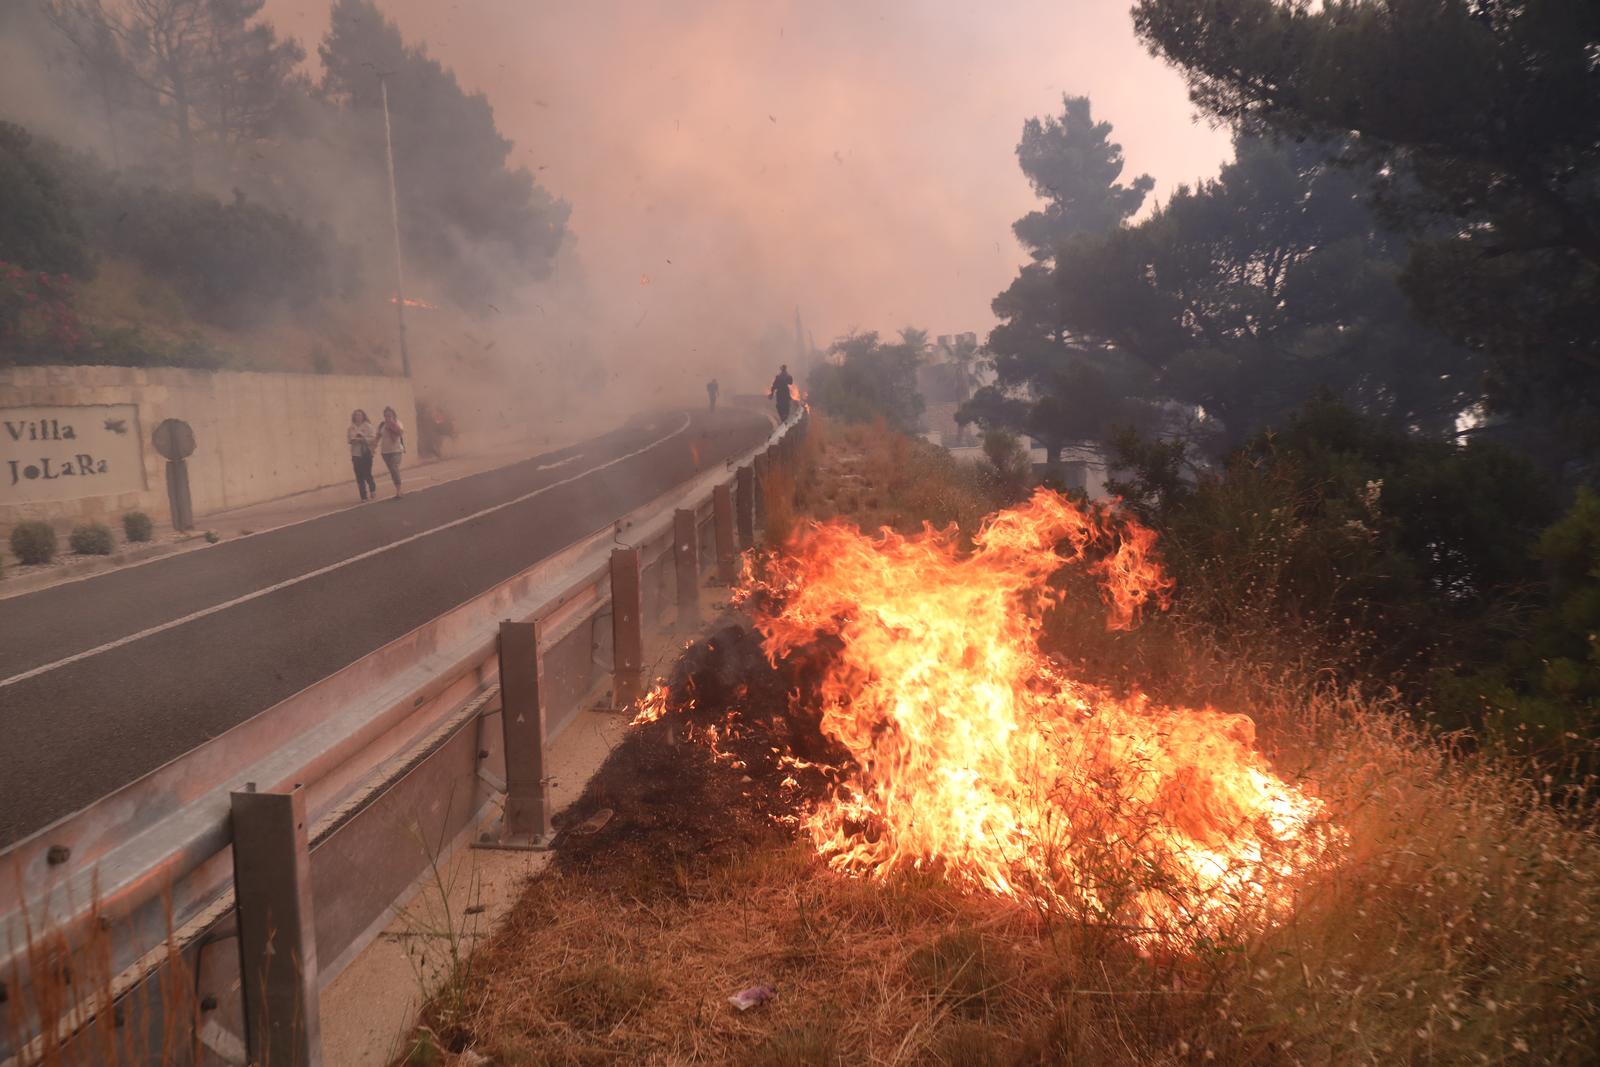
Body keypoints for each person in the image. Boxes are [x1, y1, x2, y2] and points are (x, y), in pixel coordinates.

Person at [347, 409, 378, 501]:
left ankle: (372, 489)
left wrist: (363, 439)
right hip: (356, 454)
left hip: (366, 453)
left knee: (367, 473)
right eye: (356, 415)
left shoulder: (368, 426)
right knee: (359, 475)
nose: (358, 417)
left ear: (363, 416)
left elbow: (373, 438)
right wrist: (355, 440)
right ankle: (363, 496)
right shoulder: (351, 428)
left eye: (360, 415)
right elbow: (350, 439)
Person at [377, 405, 406, 497]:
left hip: (396, 451)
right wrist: (372, 447)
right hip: (385, 452)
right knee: (392, 471)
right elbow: (378, 436)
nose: (387, 417)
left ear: (393, 415)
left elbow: (400, 433)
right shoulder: (382, 425)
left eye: (389, 415)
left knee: (394, 468)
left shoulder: (398, 423)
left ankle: (399, 491)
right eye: (386, 415)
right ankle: (397, 487)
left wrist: (392, 426)